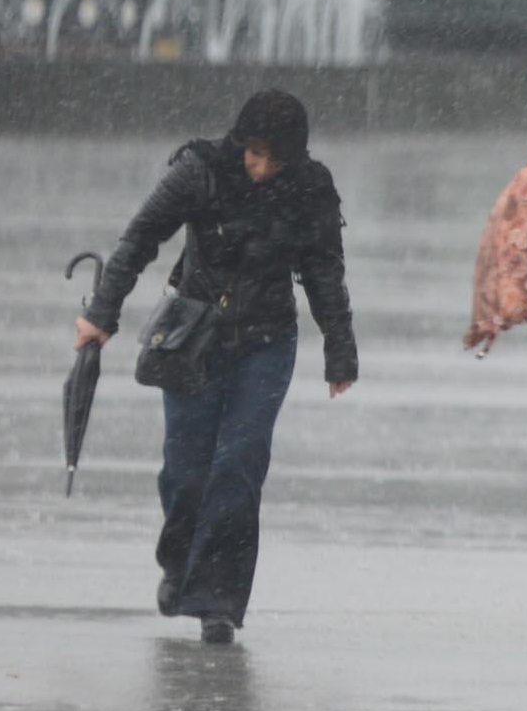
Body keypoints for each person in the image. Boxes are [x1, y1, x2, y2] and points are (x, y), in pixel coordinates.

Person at [73, 90, 357, 645]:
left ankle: (219, 600)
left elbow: (324, 271)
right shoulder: (199, 170)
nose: (259, 167)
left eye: (271, 157)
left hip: (267, 342)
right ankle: (179, 562)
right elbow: (141, 237)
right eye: (252, 153)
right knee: (187, 468)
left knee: (240, 465)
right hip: (192, 337)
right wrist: (102, 314)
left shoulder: (309, 189)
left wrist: (340, 350)